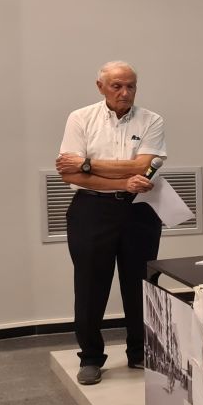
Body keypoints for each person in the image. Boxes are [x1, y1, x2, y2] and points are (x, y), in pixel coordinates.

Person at [56, 61, 166, 385]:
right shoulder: (80, 118)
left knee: (141, 284)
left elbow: (144, 166)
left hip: (139, 210)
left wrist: (87, 164)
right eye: (117, 86)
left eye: (131, 86)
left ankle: (140, 351)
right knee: (90, 285)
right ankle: (90, 357)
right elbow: (69, 174)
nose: (125, 92)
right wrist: (122, 179)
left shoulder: (152, 120)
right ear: (100, 86)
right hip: (91, 209)